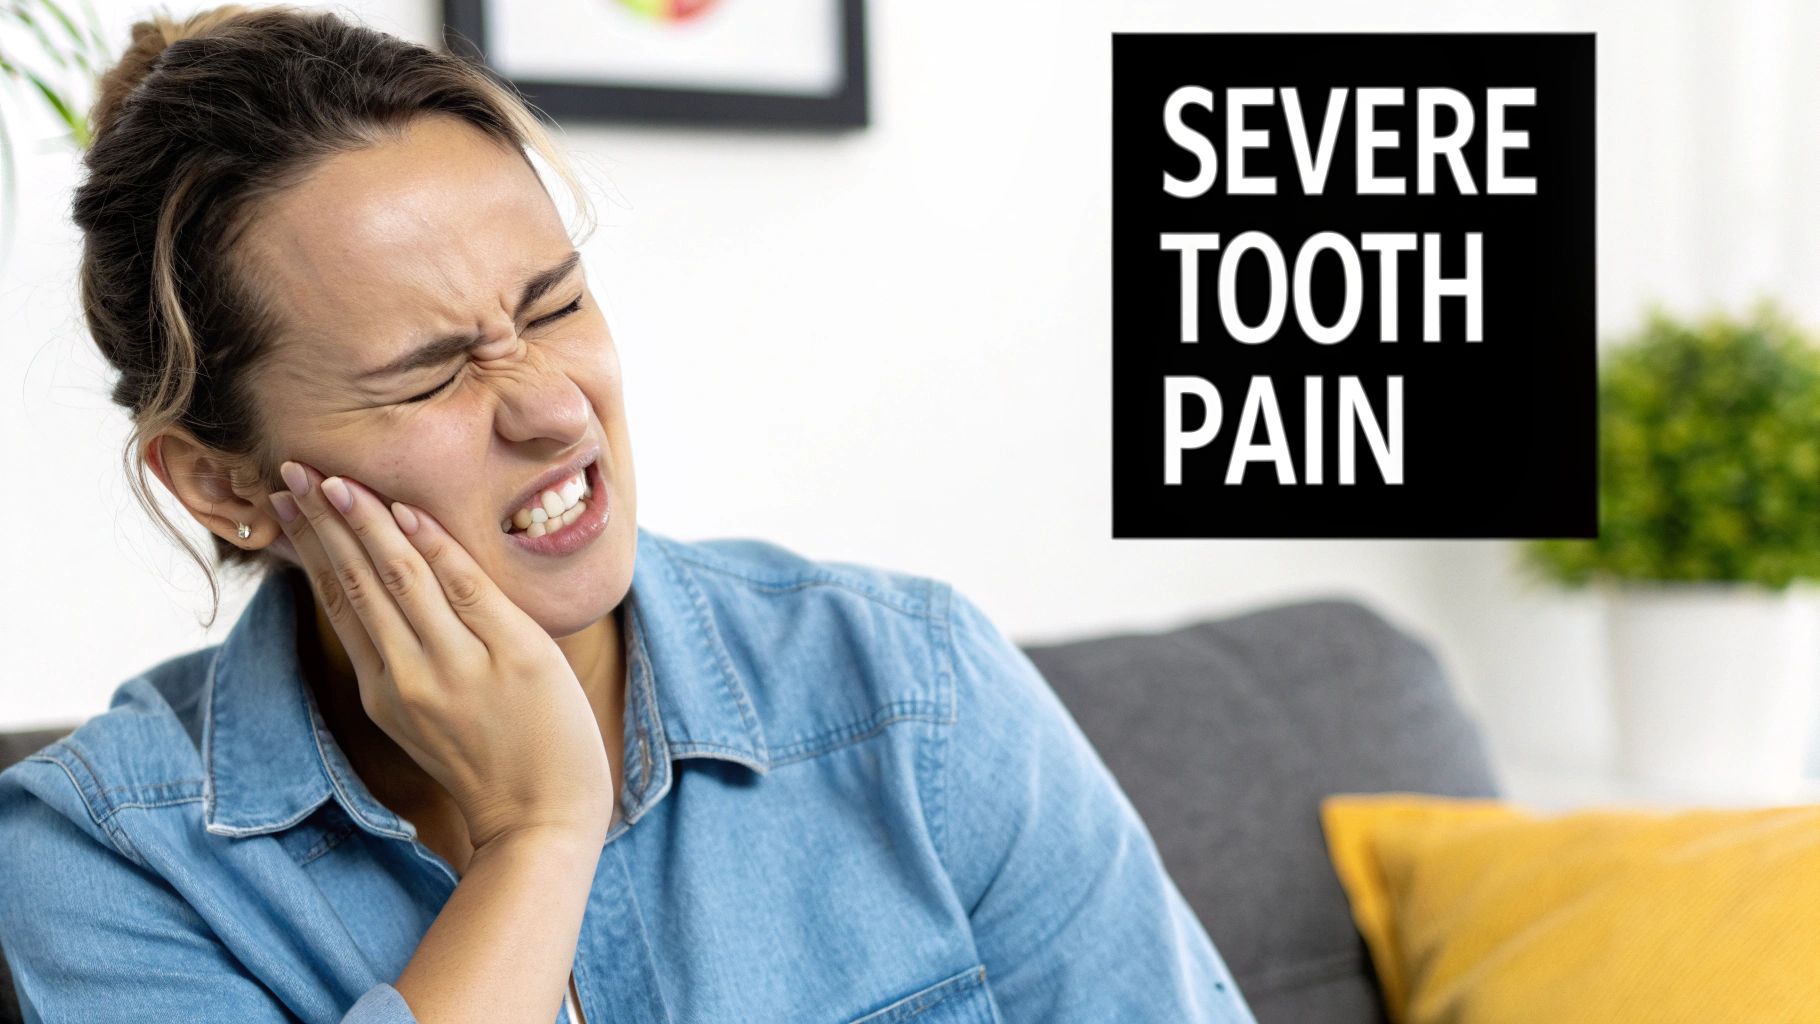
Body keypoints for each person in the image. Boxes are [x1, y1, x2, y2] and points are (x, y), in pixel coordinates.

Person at [0, 6, 1259, 1023]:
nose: (553, 409)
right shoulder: (110, 861)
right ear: (221, 483)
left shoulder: (909, 687)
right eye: (433, 372)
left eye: (552, 305)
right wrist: (535, 838)